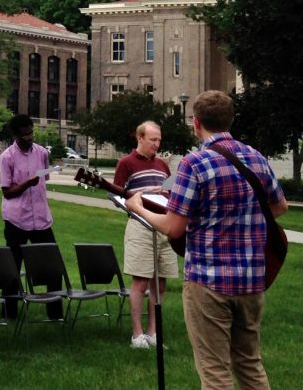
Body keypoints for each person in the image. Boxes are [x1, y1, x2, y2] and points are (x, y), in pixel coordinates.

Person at [125, 90, 288, 390]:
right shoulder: (256, 157)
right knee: (250, 363)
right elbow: (279, 207)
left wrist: (136, 208)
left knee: (214, 370)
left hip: (208, 281)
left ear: (195, 123)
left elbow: (174, 228)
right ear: (231, 120)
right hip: (252, 280)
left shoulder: (194, 163)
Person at [113, 121, 178, 349]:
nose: (157, 144)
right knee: (140, 281)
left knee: (160, 284)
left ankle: (153, 332)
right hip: (140, 226)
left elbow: (170, 192)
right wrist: (142, 194)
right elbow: (118, 198)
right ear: (139, 138)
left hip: (163, 226)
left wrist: (166, 192)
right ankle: (137, 335)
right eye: (153, 140)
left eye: (159, 140)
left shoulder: (162, 165)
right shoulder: (126, 163)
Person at [0, 113, 58, 319]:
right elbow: (7, 191)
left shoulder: (41, 153)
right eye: (25, 135)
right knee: (13, 265)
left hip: (41, 218)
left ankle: (55, 313)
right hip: (17, 219)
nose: (30, 137)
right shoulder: (7, 157)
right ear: (16, 135)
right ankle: (10, 312)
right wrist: (26, 184)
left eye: (31, 133)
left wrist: (35, 183)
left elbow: (44, 180)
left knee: (52, 264)